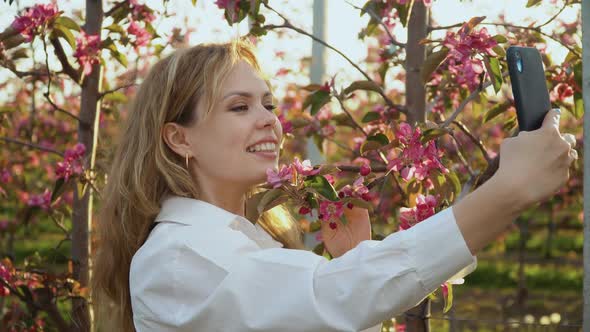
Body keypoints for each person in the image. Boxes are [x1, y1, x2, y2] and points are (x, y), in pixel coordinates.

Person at [91, 39, 578, 332]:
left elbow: (321, 306)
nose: (268, 122)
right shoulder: (177, 258)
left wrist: (354, 262)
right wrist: (506, 194)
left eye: (268, 105)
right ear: (179, 138)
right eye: (239, 107)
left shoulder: (249, 241)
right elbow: (328, 297)